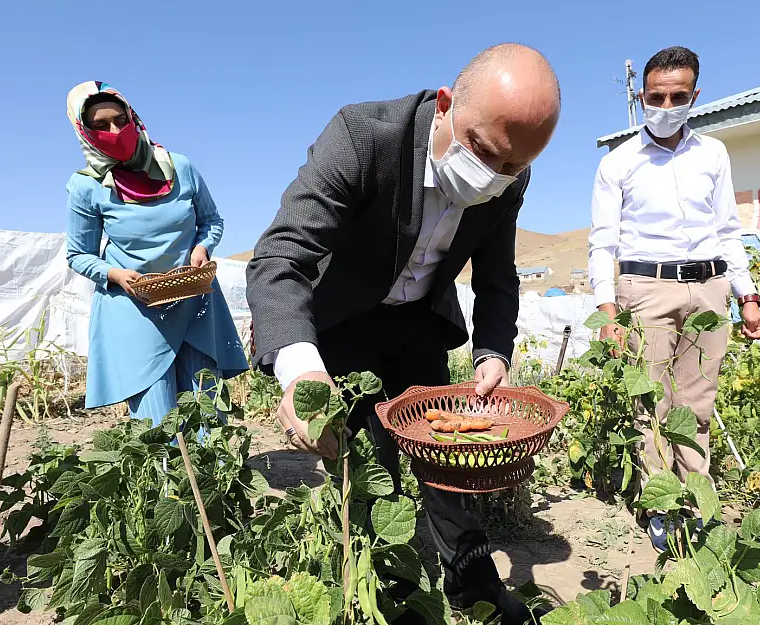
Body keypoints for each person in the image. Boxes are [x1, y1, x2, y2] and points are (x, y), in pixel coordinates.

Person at [246, 44, 560, 624]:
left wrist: (493, 350)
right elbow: (279, 257)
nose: (492, 175)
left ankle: (475, 588)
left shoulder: (509, 178)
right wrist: (301, 372)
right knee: (366, 465)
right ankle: (386, 593)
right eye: (483, 152)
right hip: (343, 324)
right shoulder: (364, 137)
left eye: (510, 167)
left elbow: (498, 276)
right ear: (444, 106)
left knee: (449, 459)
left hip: (417, 325)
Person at [587, 47, 760, 552]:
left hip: (709, 286)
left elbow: (729, 230)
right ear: (641, 96)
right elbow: (603, 241)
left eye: (678, 96)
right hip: (644, 290)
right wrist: (608, 310)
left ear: (695, 96)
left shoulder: (713, 154)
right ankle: (662, 508)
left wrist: (747, 294)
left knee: (697, 403)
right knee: (653, 404)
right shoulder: (619, 163)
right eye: (656, 96)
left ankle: (696, 502)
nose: (666, 105)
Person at [64, 81, 248, 424]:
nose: (115, 131)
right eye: (100, 126)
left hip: (193, 299)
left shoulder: (179, 167)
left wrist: (202, 247)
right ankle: (164, 481)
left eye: (120, 119)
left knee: (207, 412)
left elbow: (211, 221)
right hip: (135, 310)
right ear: (84, 132)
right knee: (156, 425)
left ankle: (219, 477)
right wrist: (115, 275)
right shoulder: (86, 186)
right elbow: (78, 254)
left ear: (133, 117)